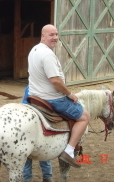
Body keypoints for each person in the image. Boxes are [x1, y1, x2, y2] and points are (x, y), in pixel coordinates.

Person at [27, 24, 90, 168]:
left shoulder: (34, 50)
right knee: (85, 116)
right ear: (42, 36)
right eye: (51, 35)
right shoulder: (47, 54)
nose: (55, 37)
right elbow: (55, 80)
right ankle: (68, 151)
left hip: (35, 96)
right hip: (53, 98)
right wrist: (70, 94)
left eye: (56, 34)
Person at [22, 86, 54, 182]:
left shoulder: (29, 87)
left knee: (26, 152)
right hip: (38, 121)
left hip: (26, 120)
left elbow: (24, 103)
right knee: (43, 149)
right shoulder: (43, 88)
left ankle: (27, 178)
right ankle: (47, 176)